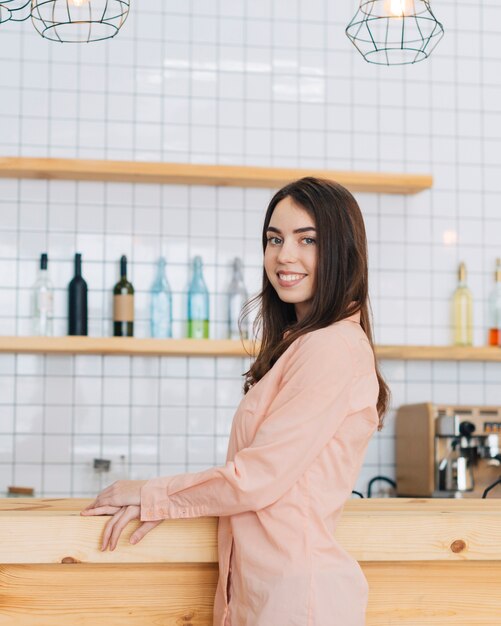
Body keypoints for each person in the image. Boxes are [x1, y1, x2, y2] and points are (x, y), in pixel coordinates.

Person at [81, 177, 389, 626]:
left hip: (299, 603)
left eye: (308, 240)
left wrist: (152, 494)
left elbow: (256, 479)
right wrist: (168, 504)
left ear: (344, 252)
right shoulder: (306, 344)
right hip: (270, 596)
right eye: (274, 239)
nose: (285, 255)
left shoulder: (330, 348)